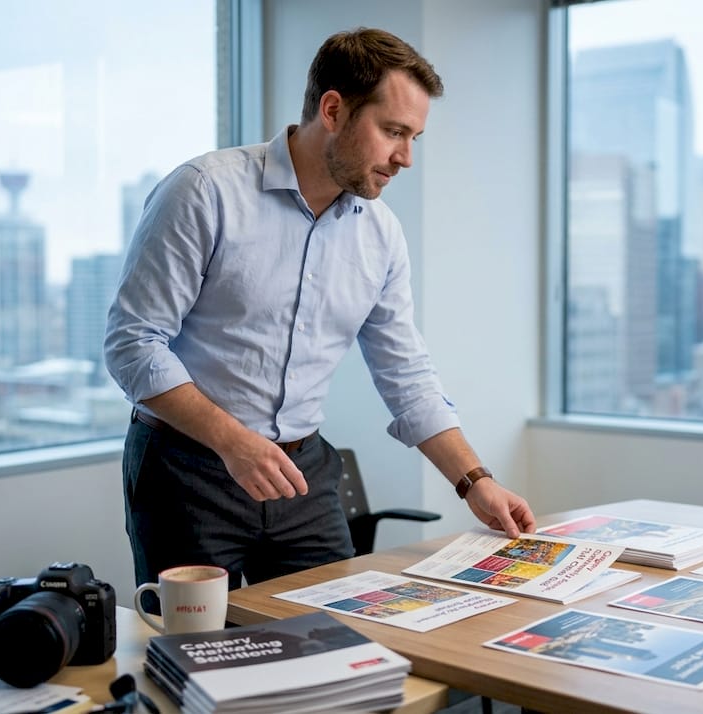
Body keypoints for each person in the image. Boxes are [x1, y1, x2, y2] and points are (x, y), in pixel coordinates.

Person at [104, 27, 536, 598]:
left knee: (334, 633)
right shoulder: (204, 192)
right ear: (333, 110)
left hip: (303, 476)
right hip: (187, 472)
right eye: (393, 132)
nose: (405, 158)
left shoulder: (380, 234)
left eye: (413, 138)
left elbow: (407, 376)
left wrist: (475, 481)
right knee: (200, 645)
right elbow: (133, 344)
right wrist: (234, 442)